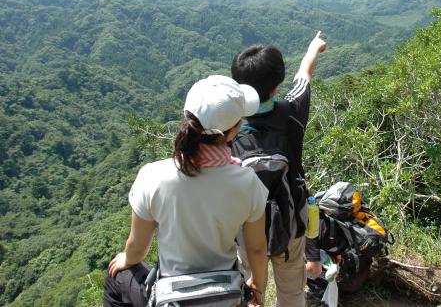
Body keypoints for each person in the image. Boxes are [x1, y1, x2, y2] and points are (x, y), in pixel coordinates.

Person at [103, 75, 269, 307]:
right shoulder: (247, 181)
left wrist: (126, 259)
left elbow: (138, 248)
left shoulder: (152, 176)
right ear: (233, 131)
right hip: (226, 294)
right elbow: (257, 248)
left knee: (115, 279)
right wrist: (258, 285)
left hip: (172, 297)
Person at [231, 31, 327, 307]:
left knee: (248, 294)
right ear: (276, 87)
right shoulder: (292, 112)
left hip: (244, 231)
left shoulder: (227, 124)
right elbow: (304, 77)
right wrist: (312, 50)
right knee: (292, 294)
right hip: (290, 224)